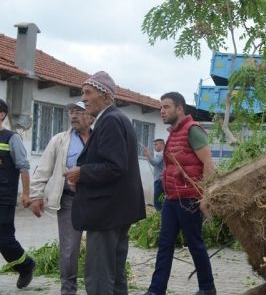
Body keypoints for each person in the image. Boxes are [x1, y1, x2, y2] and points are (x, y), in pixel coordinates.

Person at [64, 71, 146, 294]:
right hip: (117, 210)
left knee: (99, 275)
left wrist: (81, 172)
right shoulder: (117, 119)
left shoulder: (109, 121)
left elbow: (115, 166)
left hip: (107, 212)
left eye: (88, 93)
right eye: (82, 93)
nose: (84, 98)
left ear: (106, 97)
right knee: (115, 273)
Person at [144, 92, 216, 295]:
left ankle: (208, 288)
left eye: (166, 107)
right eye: (161, 107)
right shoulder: (173, 133)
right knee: (165, 245)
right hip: (171, 199)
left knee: (195, 244)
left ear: (179, 108)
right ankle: (156, 290)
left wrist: (205, 197)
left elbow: (208, 164)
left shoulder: (193, 130)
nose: (162, 111)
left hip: (189, 199)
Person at [29, 101, 93, 295]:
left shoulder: (100, 138)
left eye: (79, 112)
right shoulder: (59, 140)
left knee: (97, 248)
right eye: (71, 112)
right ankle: (68, 289)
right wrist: (36, 195)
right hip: (69, 200)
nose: (73, 116)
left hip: (96, 202)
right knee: (69, 248)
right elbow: (43, 169)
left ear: (91, 116)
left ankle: (95, 286)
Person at [0, 98, 36, 289]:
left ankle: (26, 266)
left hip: (4, 198)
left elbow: (23, 167)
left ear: (1, 115)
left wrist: (26, 193)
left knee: (4, 240)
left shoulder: (12, 138)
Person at [143, 139, 165, 211]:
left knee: (158, 201)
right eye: (153, 145)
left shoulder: (161, 154)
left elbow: (154, 163)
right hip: (163, 179)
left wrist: (148, 155)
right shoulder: (165, 153)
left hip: (159, 180)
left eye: (156, 144)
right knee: (162, 200)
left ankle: (158, 215)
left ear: (162, 144)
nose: (154, 147)